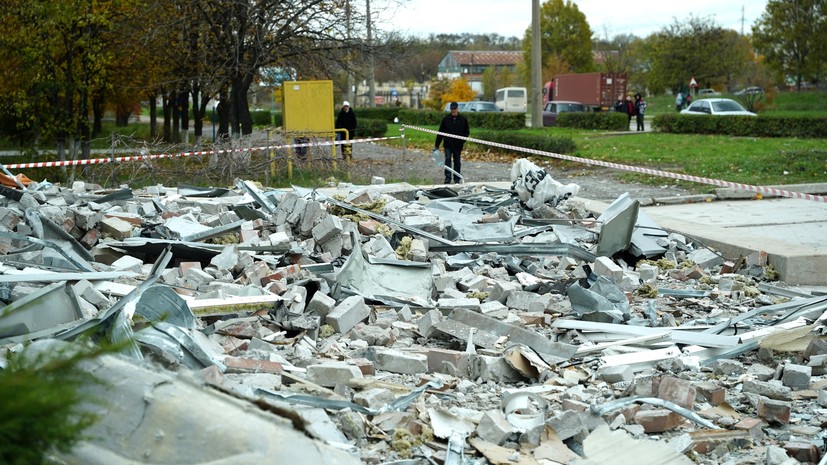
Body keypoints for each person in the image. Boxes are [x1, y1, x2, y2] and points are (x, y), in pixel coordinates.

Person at [434, 101, 470, 184]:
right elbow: (440, 132)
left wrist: (462, 141)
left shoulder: (463, 120)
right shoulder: (445, 119)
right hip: (448, 145)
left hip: (458, 145)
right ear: (450, 109)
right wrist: (437, 145)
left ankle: (457, 178)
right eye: (452, 109)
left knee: (457, 161)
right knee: (447, 160)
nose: (453, 110)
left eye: (455, 109)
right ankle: (447, 178)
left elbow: (466, 132)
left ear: (457, 109)